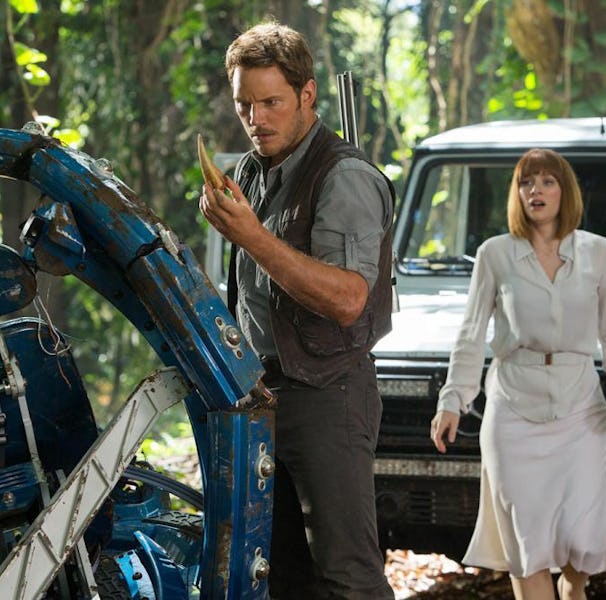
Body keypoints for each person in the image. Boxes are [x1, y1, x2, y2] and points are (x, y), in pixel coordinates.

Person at [199, 20, 396, 600]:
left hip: (328, 394)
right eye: (244, 104)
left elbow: (348, 299)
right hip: (262, 393)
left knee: (347, 576)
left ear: (307, 95)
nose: (255, 119)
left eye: (271, 102)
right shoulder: (251, 171)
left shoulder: (345, 177)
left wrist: (252, 236)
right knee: (280, 575)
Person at [430, 148, 606, 600]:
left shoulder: (599, 252)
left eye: (547, 181)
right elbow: (471, 334)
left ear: (565, 192)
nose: (535, 191)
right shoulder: (495, 253)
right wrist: (453, 400)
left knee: (582, 537)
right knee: (525, 541)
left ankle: (574, 584)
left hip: (579, 407)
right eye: (526, 182)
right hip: (512, 408)